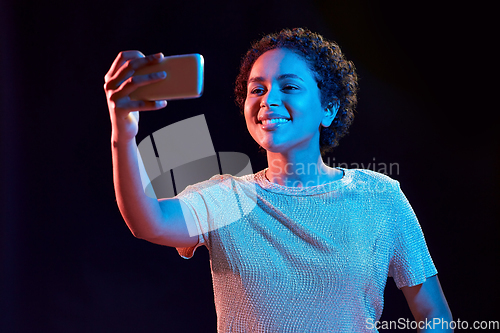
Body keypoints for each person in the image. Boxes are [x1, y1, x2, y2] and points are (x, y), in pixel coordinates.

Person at [104, 28, 453, 332]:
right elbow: (147, 220)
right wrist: (124, 130)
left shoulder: (380, 196)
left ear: (328, 109)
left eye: (289, 86)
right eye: (257, 90)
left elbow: (432, 312)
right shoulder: (227, 197)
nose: (268, 100)